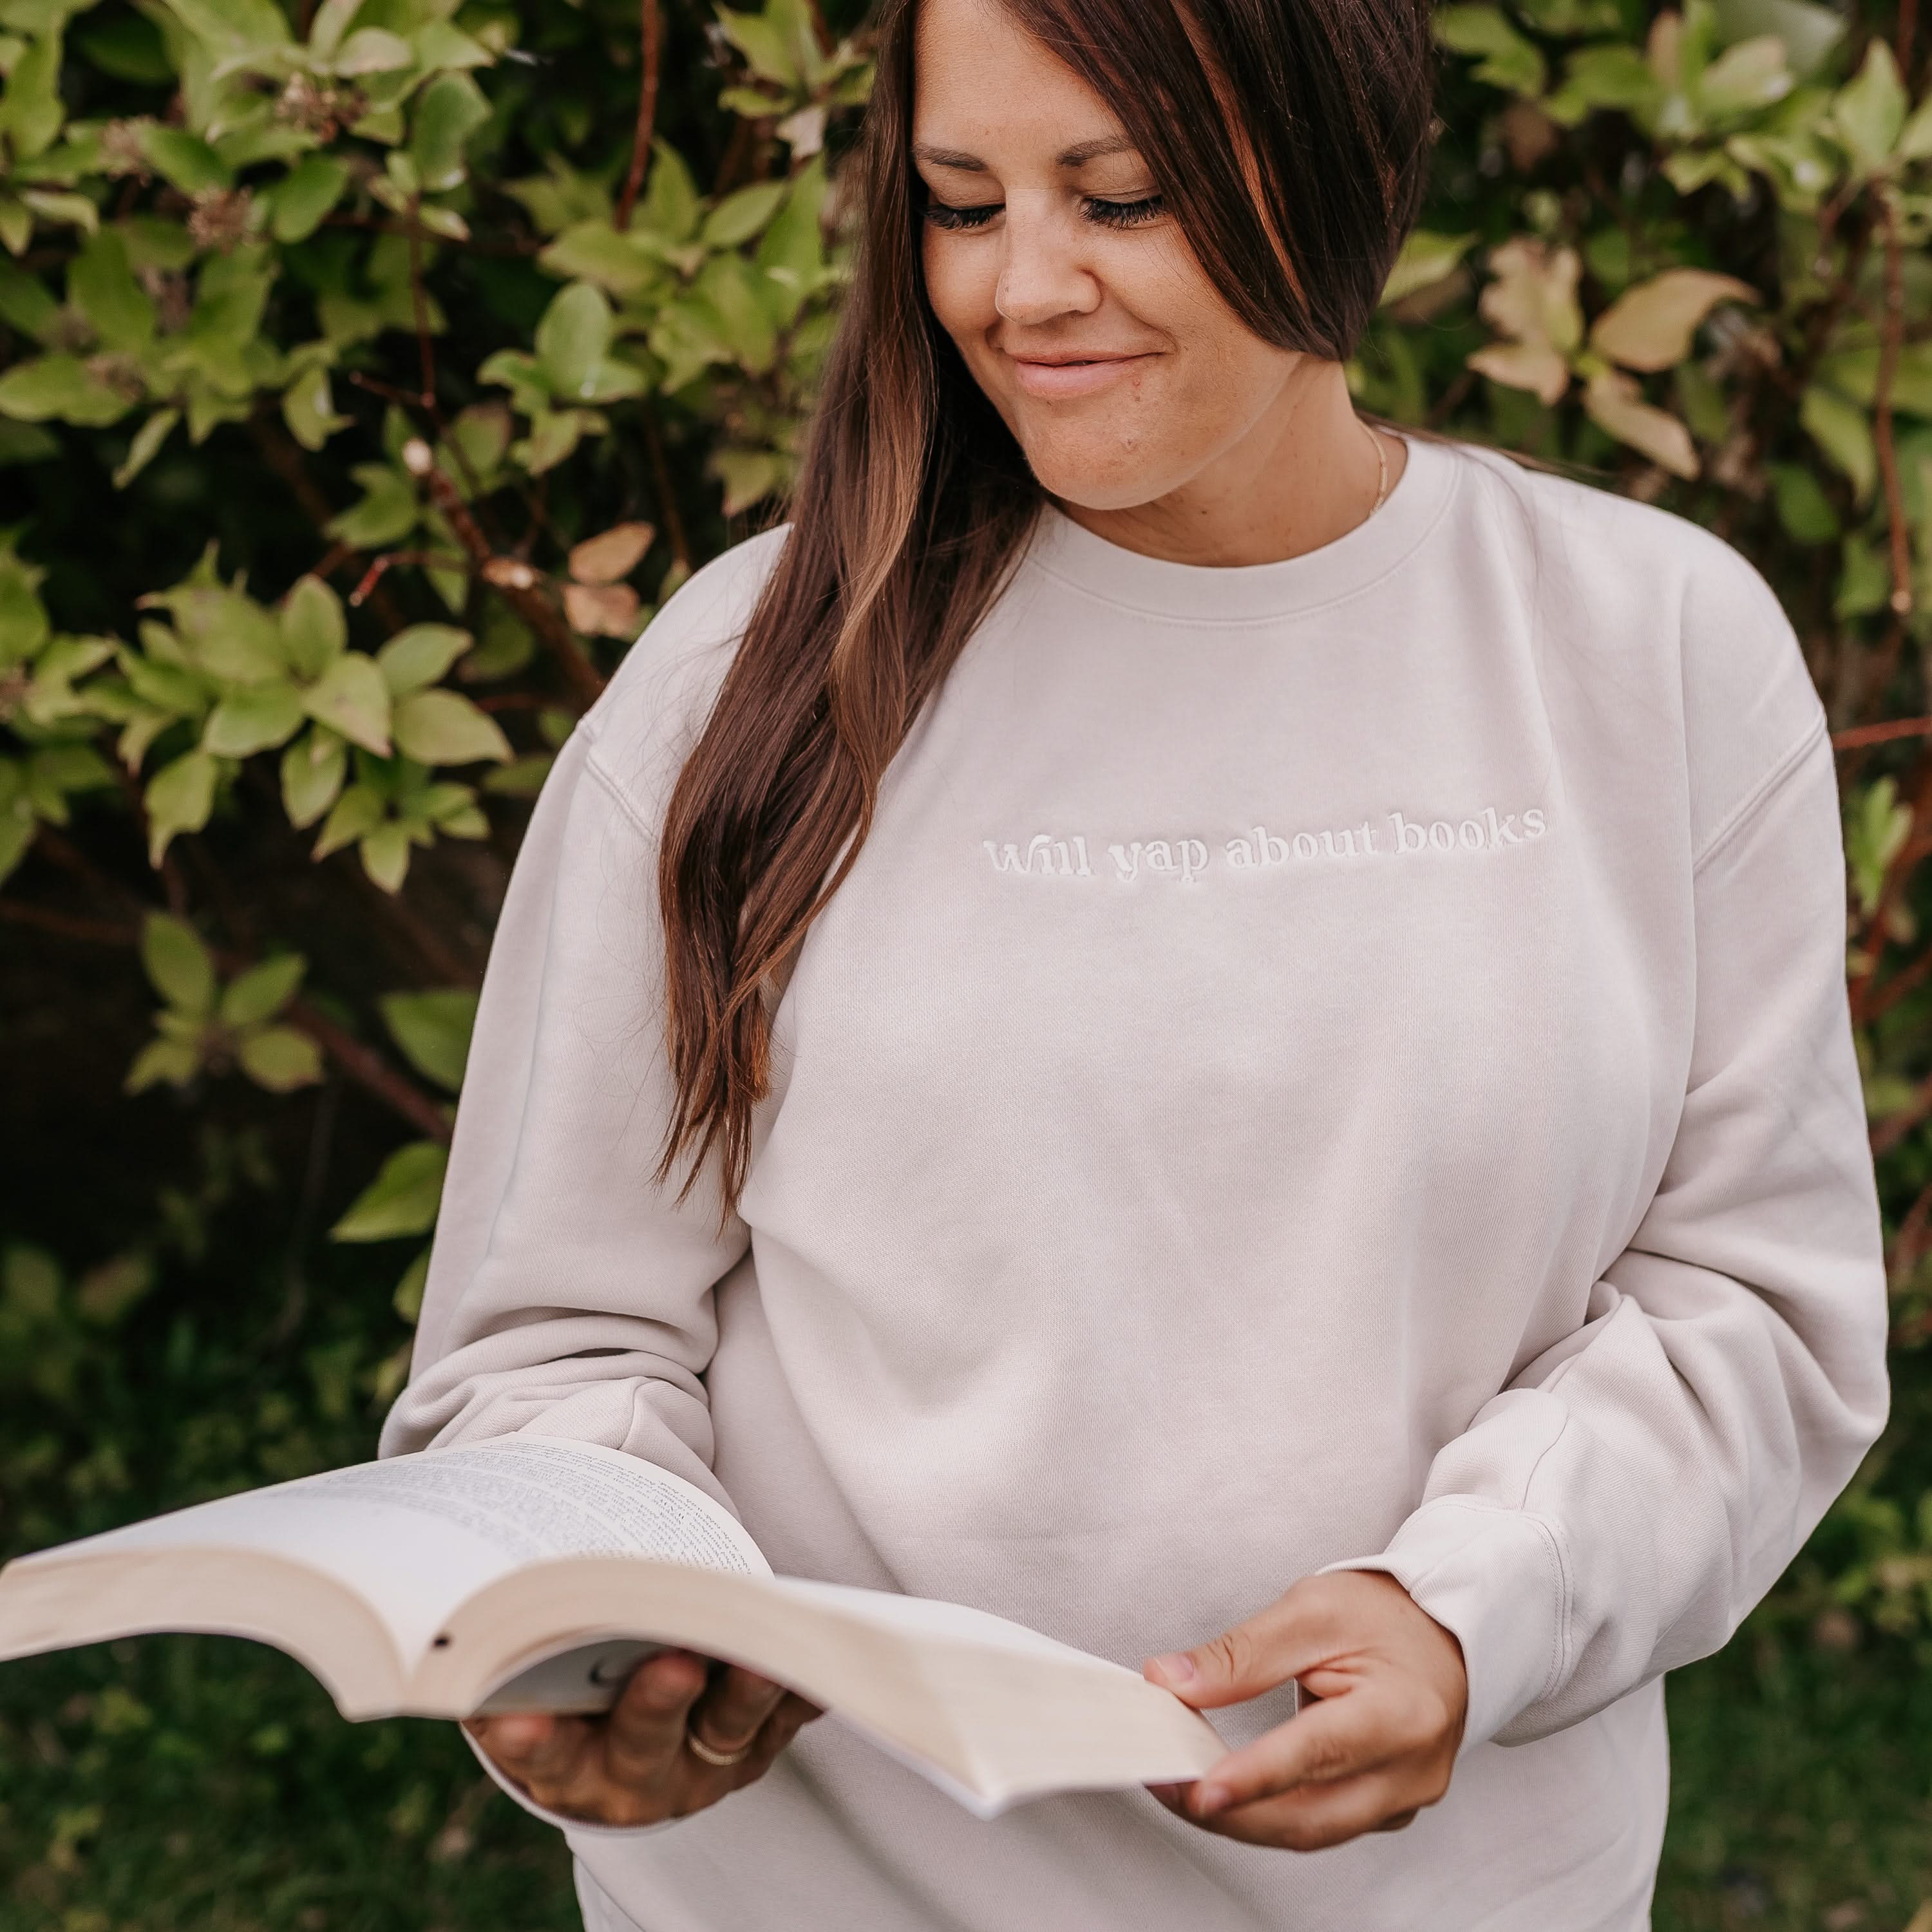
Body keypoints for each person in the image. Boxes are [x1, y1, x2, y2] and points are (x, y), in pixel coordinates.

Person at [377, 0, 1893, 1922]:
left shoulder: (1652, 646)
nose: (1021, 289)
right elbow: (552, 1342)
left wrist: (1470, 1610)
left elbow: (1748, 1308)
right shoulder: (743, 681)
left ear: (1347, 165)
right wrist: (602, 1626)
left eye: (1119, 197)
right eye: (962, 202)